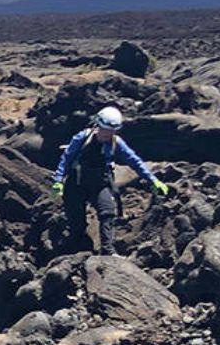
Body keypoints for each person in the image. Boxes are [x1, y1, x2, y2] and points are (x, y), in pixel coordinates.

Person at [51, 106, 168, 255]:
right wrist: (58, 181)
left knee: (107, 212)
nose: (108, 133)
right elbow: (66, 159)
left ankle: (107, 250)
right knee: (77, 222)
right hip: (76, 184)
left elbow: (134, 161)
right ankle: (78, 250)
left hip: (99, 184)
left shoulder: (116, 143)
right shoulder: (82, 138)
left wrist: (153, 180)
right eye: (105, 129)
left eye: (112, 130)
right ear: (98, 125)